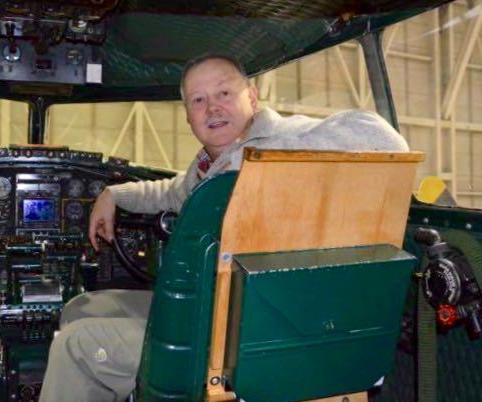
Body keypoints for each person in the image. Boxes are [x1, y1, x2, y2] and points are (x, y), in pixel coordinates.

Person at [39, 54, 409, 402]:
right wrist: (114, 194)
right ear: (188, 117)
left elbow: (384, 140)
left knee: (75, 344)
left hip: (254, 331)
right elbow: (169, 192)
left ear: (252, 96)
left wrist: (264, 168)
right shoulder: (207, 165)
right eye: (198, 100)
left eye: (224, 93)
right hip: (213, 304)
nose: (212, 107)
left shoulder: (282, 138)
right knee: (84, 307)